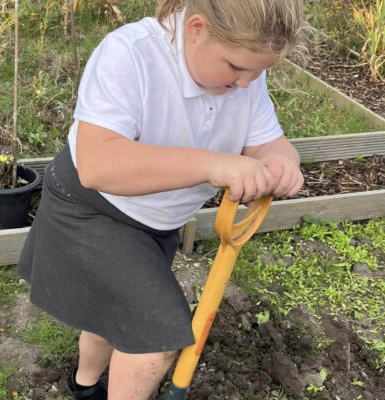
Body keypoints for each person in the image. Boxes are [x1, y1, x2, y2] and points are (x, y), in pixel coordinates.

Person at [17, 0, 305, 398]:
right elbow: (98, 164)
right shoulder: (130, 55)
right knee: (154, 340)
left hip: (157, 221)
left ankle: (82, 387)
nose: (246, 83)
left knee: (113, 313)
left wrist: (281, 162)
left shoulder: (245, 76)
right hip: (91, 207)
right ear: (196, 29)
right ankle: (89, 386)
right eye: (237, 67)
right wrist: (213, 166)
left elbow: (267, 141)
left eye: (259, 71)